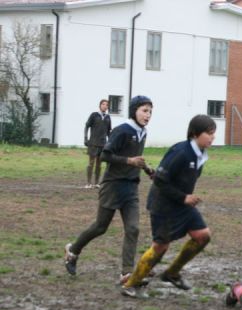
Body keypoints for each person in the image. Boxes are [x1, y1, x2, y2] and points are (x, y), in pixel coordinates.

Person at [121, 115, 216, 297]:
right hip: (163, 205)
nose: (212, 138)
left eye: (214, 134)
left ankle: (172, 273)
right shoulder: (181, 152)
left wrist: (184, 199)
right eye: (209, 134)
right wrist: (183, 197)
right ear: (195, 134)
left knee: (202, 236)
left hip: (182, 203)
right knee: (160, 246)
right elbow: (160, 181)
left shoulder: (200, 154)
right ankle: (131, 284)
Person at [64, 96, 154, 282]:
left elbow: (136, 157)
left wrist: (147, 170)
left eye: (150, 111)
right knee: (100, 227)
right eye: (144, 110)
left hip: (131, 187)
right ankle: (73, 251)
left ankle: (127, 273)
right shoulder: (122, 130)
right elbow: (105, 155)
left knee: (133, 228)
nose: (148, 115)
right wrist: (129, 161)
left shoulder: (143, 132)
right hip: (113, 186)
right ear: (134, 111)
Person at [84, 99, 112, 188]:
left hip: (103, 144)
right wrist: (85, 138)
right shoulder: (94, 115)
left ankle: (96, 183)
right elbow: (87, 126)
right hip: (93, 143)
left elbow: (109, 132)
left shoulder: (108, 117)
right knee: (91, 163)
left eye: (106, 105)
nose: (105, 106)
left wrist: (111, 142)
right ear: (100, 105)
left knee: (99, 164)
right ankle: (88, 183)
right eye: (103, 104)